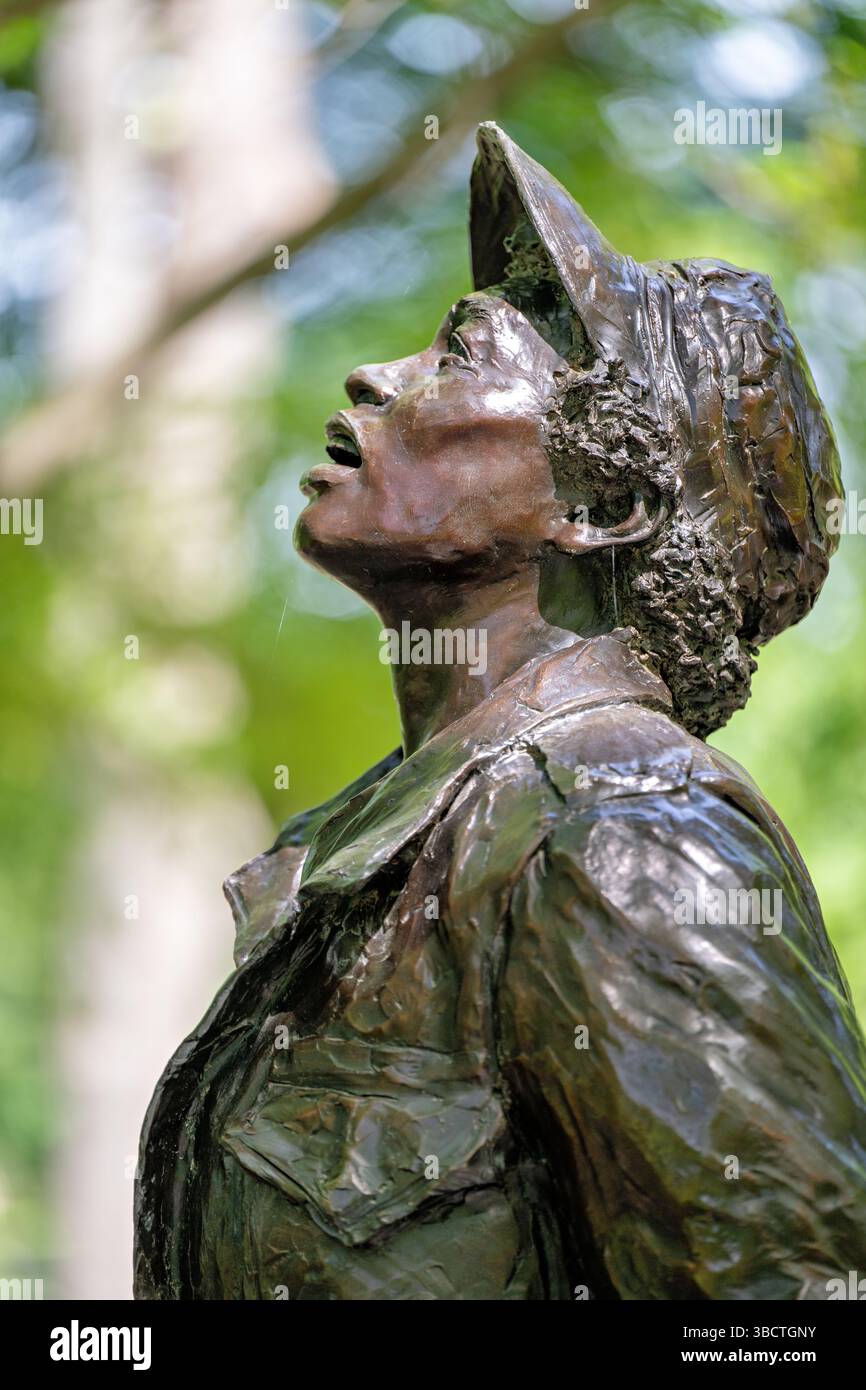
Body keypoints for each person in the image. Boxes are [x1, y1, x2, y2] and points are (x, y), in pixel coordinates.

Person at [135, 123, 866, 1300]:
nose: (376, 374)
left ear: (602, 500)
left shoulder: (622, 832)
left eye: (460, 355)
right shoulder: (405, 842)